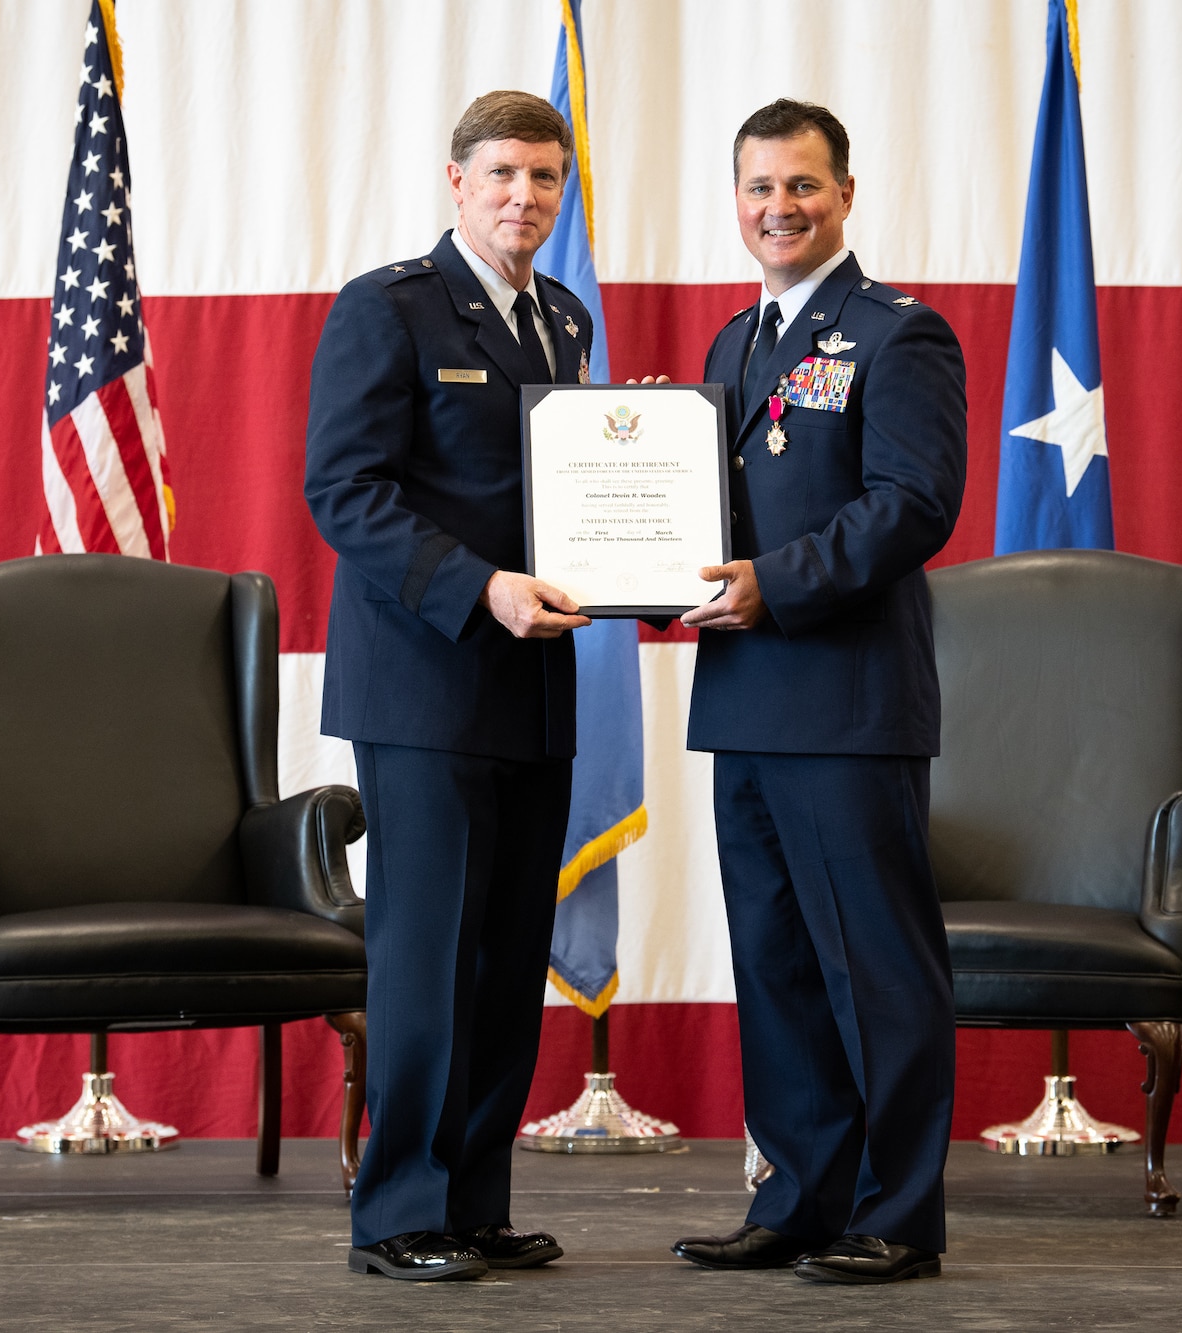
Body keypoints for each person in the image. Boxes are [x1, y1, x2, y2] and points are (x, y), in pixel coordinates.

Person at [667, 99, 968, 1285]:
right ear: (734, 200)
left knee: (876, 969)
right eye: (756, 189)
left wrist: (769, 585)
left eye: (799, 187)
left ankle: (895, 1212)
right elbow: (703, 524)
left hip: (846, 703)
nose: (776, 209)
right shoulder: (730, 348)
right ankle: (797, 1196)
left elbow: (911, 505)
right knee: (777, 965)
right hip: (743, 697)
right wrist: (640, 576)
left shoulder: (898, 335)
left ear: (844, 194)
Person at [303, 91, 597, 1283]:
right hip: (425, 681)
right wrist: (479, 588)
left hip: (533, 685)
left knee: (505, 955)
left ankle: (473, 1201)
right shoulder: (388, 308)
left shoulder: (563, 321)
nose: (523, 195)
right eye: (501, 175)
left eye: (542, 176)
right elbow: (344, 491)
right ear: (454, 181)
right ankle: (399, 1214)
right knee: (426, 959)